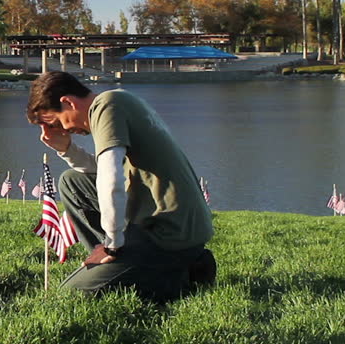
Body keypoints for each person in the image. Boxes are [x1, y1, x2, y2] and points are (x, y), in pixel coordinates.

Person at [26, 71, 216, 302]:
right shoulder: (119, 100)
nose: (63, 130)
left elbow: (110, 177)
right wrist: (66, 150)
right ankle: (156, 267)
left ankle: (170, 274)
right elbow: (99, 171)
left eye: (56, 122)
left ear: (67, 102)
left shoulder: (106, 106)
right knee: (71, 181)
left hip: (169, 233)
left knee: (70, 295)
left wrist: (113, 245)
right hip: (176, 227)